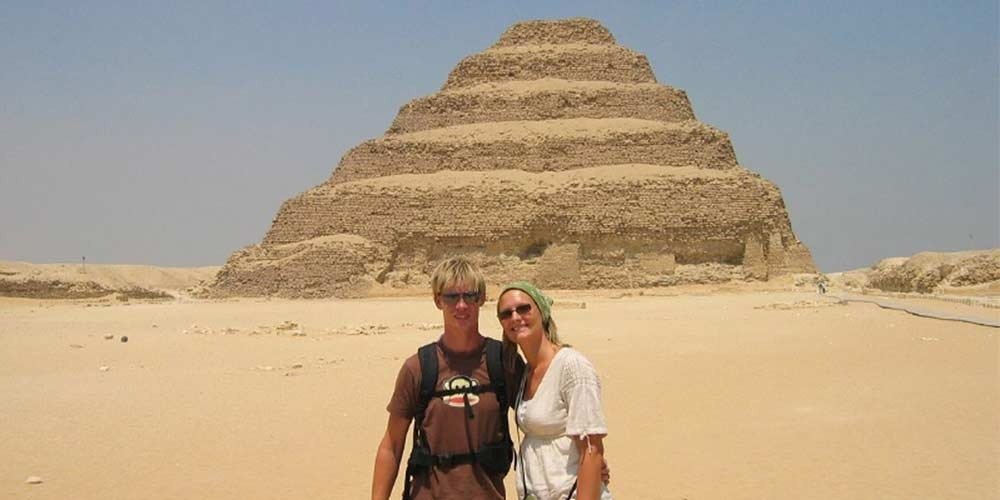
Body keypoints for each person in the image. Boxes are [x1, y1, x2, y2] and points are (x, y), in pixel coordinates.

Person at [371, 257, 524, 500]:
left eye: (470, 296)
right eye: (452, 296)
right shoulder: (418, 367)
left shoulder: (504, 362)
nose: (461, 305)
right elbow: (392, 444)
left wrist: (589, 457)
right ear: (437, 300)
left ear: (482, 298)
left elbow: (541, 421)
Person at [497, 281, 612, 500]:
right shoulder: (524, 373)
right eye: (506, 313)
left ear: (542, 312)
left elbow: (592, 449)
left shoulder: (572, 367)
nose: (515, 317)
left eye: (523, 308)